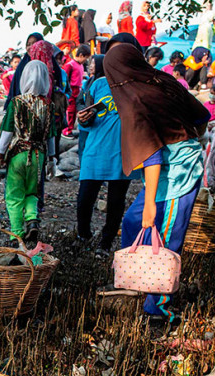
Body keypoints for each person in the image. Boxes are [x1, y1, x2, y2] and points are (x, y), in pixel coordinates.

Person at [104, 42, 209, 323]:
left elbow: (151, 155)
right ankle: (136, 282)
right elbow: (202, 116)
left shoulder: (135, 98)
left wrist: (150, 202)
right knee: (131, 221)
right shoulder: (161, 80)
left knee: (166, 236)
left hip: (178, 171)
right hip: (168, 165)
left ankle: (158, 308)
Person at [75, 55, 132, 254]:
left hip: (122, 152)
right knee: (85, 197)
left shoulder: (135, 86)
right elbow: (83, 110)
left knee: (116, 201)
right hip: (95, 149)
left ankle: (106, 243)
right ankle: (83, 235)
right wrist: (83, 118)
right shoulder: (98, 84)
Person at [0, 61, 52, 241]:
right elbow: (51, 135)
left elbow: (7, 132)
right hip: (39, 155)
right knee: (32, 192)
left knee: (14, 195)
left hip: (18, 155)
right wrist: (53, 160)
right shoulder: (49, 105)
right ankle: (32, 219)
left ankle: (17, 233)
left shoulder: (16, 102)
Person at [63, 44, 89, 136]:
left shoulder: (80, 65)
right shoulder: (70, 65)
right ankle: (66, 130)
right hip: (71, 91)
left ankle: (70, 129)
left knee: (75, 112)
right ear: (81, 55)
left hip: (78, 91)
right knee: (70, 112)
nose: (86, 60)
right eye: (85, 58)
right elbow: (65, 79)